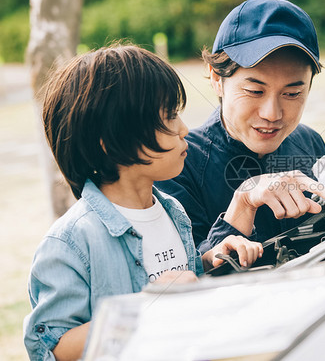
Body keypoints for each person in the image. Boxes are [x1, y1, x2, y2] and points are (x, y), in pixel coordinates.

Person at [23, 44, 263, 360]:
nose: (183, 129)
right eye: (168, 116)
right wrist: (145, 307)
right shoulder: (71, 241)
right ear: (109, 140)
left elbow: (174, 278)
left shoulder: (172, 212)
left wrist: (207, 261)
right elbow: (51, 346)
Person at [156, 0, 325, 253]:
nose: (272, 114)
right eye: (254, 91)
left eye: (292, 94)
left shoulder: (310, 142)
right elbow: (182, 272)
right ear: (217, 80)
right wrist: (243, 204)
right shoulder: (177, 163)